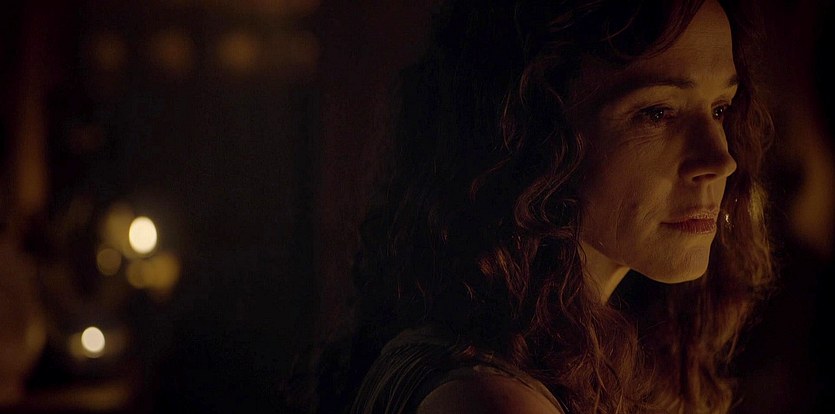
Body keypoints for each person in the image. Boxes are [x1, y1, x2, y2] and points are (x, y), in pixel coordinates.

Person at [340, 0, 775, 412]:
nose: (720, 160)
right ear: (529, 133)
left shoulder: (597, 356)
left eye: (720, 109)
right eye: (658, 113)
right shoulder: (486, 396)